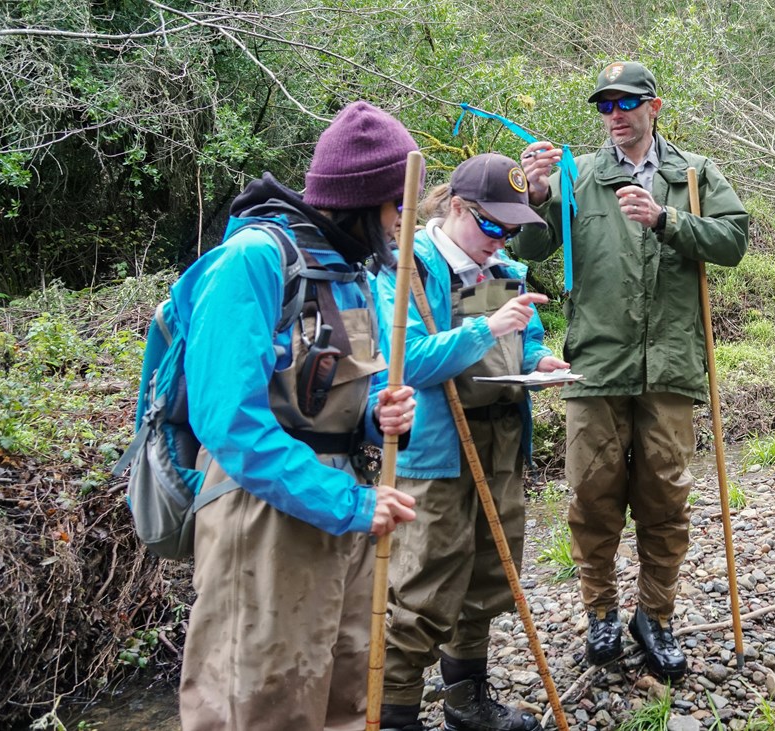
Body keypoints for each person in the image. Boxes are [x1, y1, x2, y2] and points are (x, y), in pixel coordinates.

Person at [175, 100, 421, 730]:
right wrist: (350, 504)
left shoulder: (351, 271)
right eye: (398, 208)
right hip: (260, 518)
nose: (403, 226)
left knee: (344, 695)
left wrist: (377, 417)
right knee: (259, 703)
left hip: (343, 509)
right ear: (365, 201)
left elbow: (333, 399)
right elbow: (230, 424)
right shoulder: (252, 263)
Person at [514, 61, 749, 682]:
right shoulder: (579, 175)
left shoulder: (693, 174)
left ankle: (656, 617)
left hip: (671, 365)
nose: (615, 116)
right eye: (605, 106)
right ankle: (601, 615)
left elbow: (732, 242)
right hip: (595, 364)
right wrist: (535, 195)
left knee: (665, 498)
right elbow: (531, 249)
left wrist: (667, 221)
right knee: (592, 498)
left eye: (626, 104)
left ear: (655, 107)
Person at [373, 153, 568, 731]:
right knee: (422, 589)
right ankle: (397, 714)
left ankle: (466, 701)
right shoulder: (408, 265)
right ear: (457, 207)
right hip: (436, 453)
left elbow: (523, 342)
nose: (501, 240)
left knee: (488, 579)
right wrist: (487, 327)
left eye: (511, 229)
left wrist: (542, 360)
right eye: (492, 226)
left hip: (502, 445)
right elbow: (400, 362)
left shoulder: (503, 268)